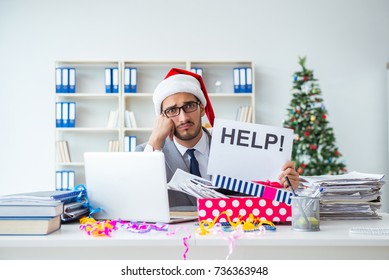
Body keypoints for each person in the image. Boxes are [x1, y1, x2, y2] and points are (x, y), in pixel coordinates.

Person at [136, 68, 300, 207]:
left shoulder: (234, 147)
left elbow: (257, 198)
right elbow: (138, 198)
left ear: (202, 108)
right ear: (162, 118)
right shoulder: (148, 152)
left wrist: (285, 187)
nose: (183, 117)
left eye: (189, 106)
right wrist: (155, 141)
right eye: (172, 110)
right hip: (176, 241)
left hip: (228, 238)